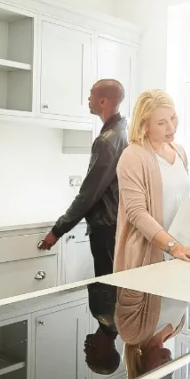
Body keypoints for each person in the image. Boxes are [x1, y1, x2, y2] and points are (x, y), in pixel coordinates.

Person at [39, 79, 128, 305]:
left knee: (107, 290)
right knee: (115, 287)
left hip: (106, 226)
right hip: (117, 222)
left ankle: (108, 327)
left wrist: (57, 230)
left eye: (91, 95)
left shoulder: (107, 141)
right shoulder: (122, 131)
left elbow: (89, 194)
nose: (88, 99)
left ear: (103, 101)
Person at [113, 88, 190, 275]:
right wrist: (173, 247)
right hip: (148, 256)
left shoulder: (179, 151)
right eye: (161, 123)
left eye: (173, 118)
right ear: (145, 125)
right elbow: (137, 213)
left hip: (180, 254)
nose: (171, 127)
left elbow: (172, 194)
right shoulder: (132, 157)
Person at [116, 287, 187, 379]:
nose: (168, 366)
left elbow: (132, 284)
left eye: (161, 372)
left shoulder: (131, 333)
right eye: (169, 374)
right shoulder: (177, 329)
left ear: (142, 365)